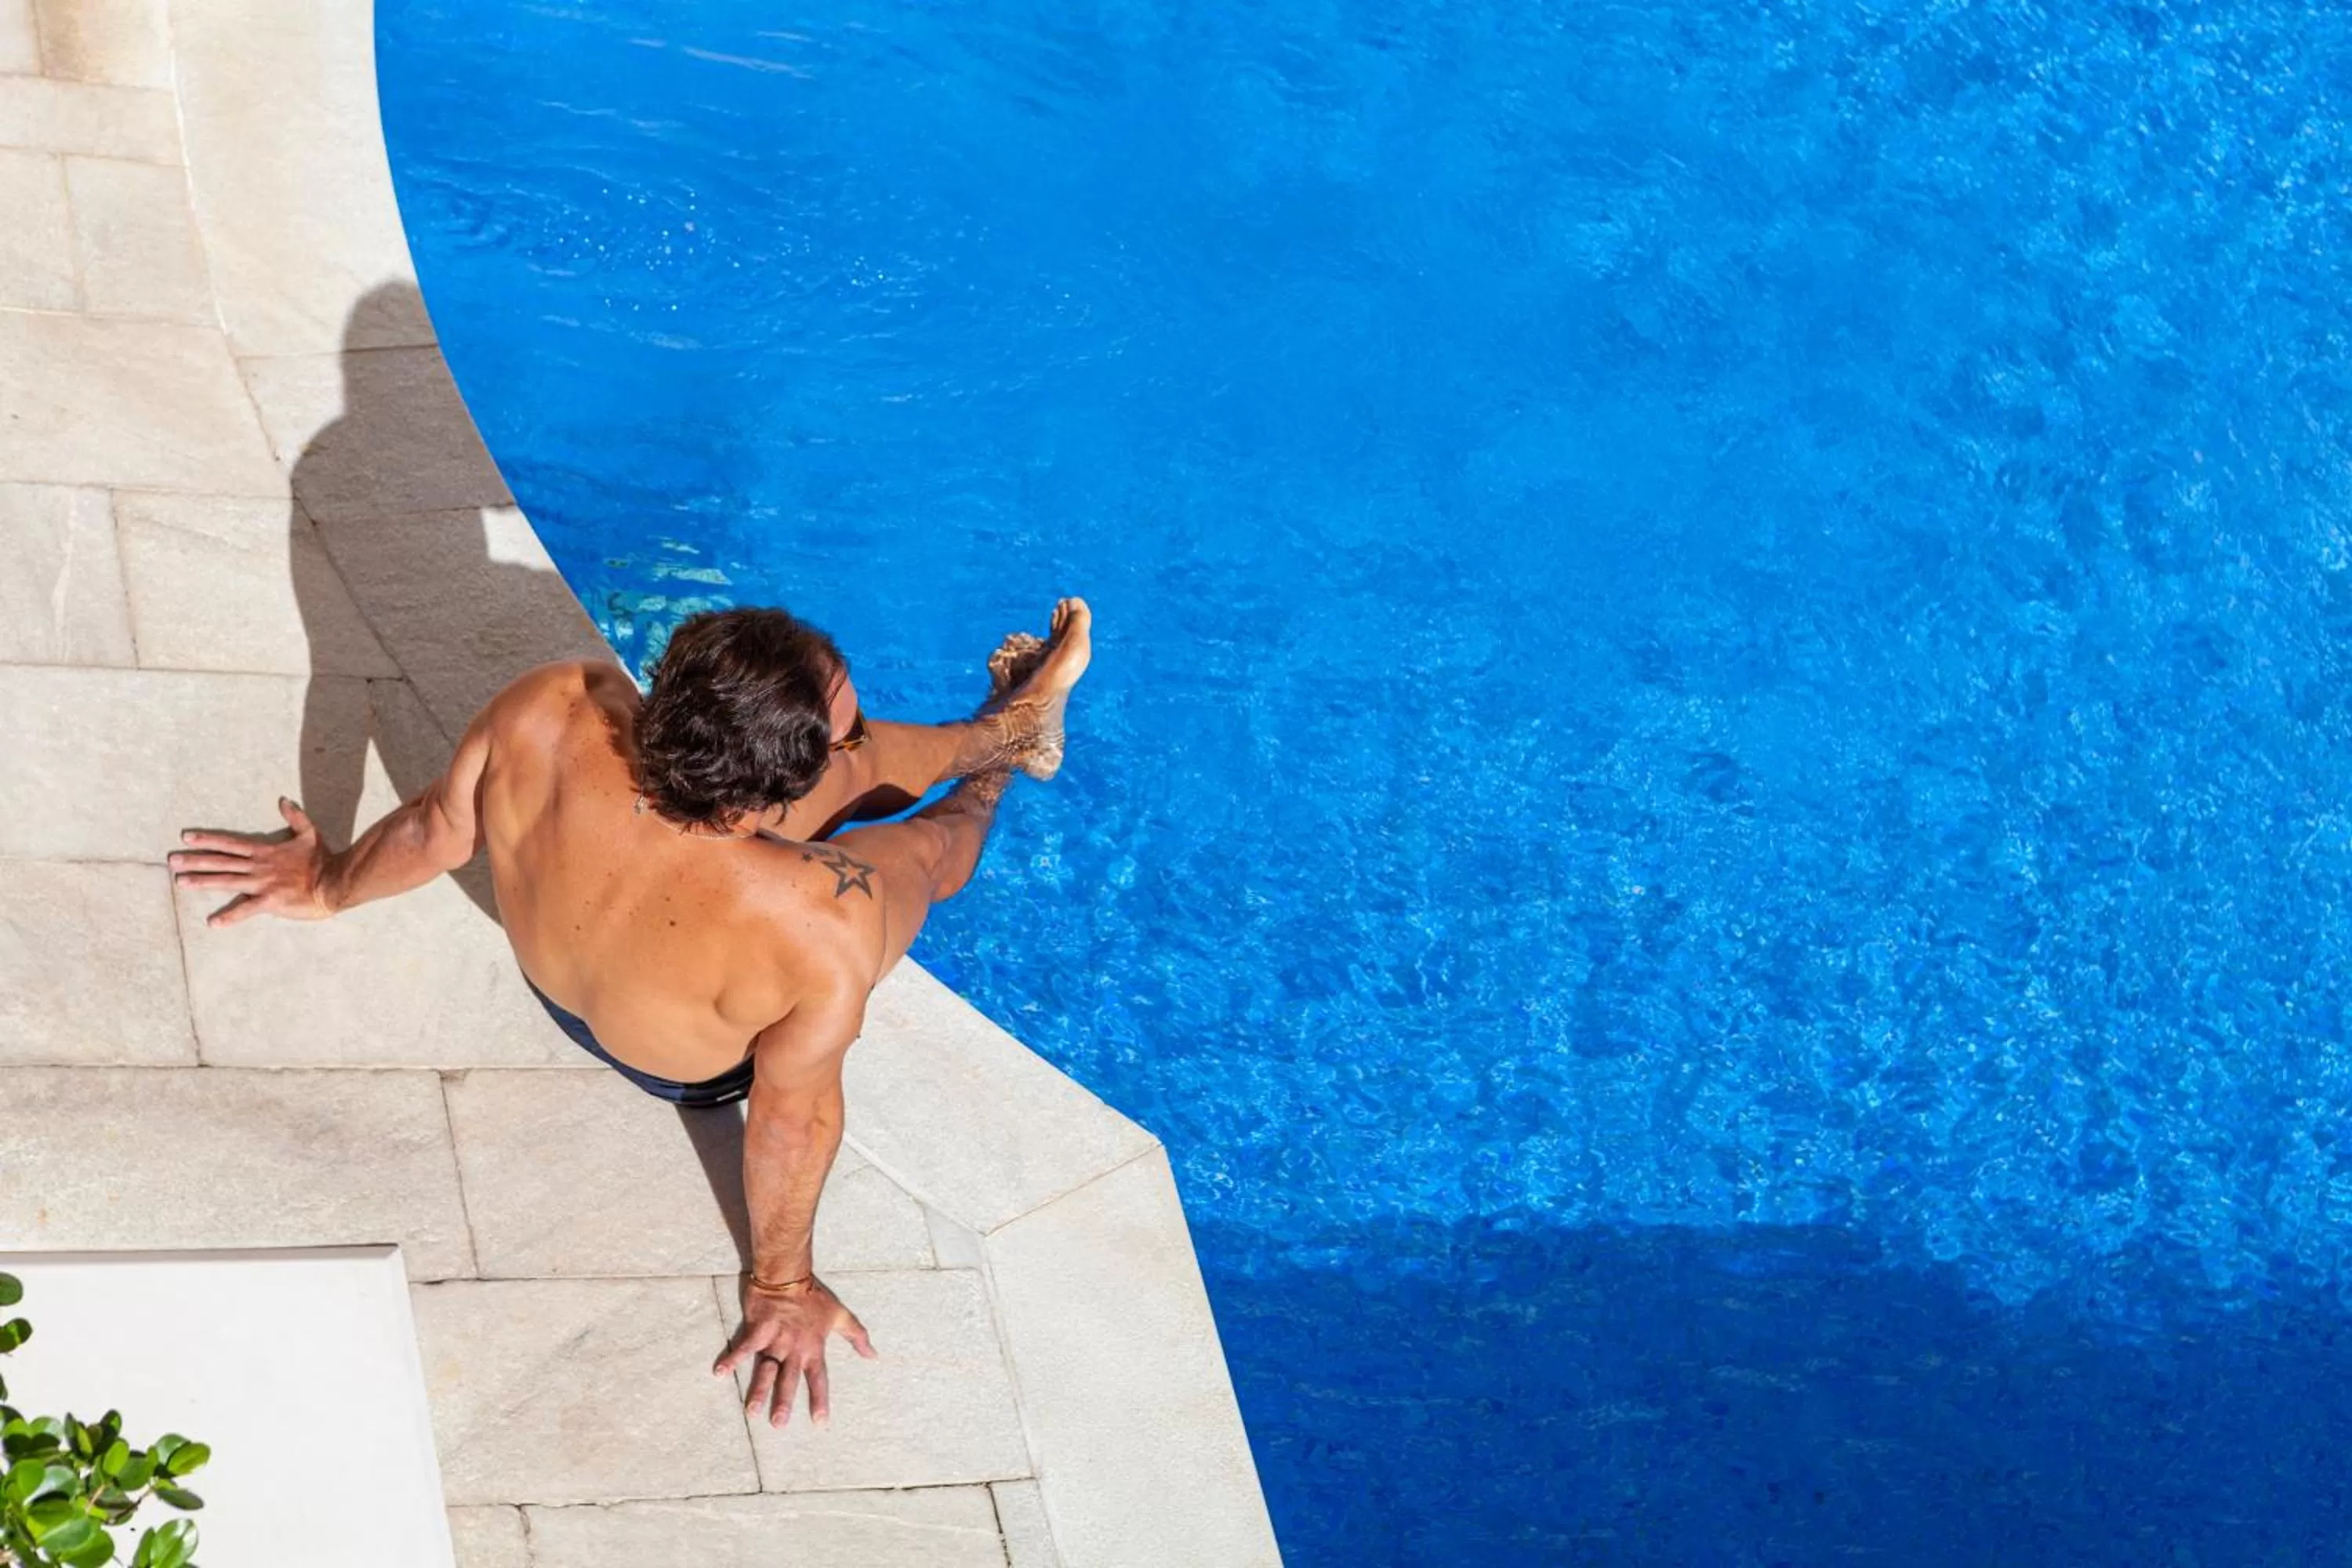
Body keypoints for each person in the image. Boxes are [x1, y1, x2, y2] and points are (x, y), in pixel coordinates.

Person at [169, 597, 1093, 1430]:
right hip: (684, 1068)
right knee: (919, 850)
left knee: (864, 762)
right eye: (831, 740)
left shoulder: (553, 702)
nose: (843, 745)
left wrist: (328, 882)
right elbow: (787, 1115)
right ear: (771, 799)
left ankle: (1001, 726)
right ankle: (1002, 758)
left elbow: (435, 829)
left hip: (558, 976)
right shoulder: (821, 924)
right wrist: (782, 1285)